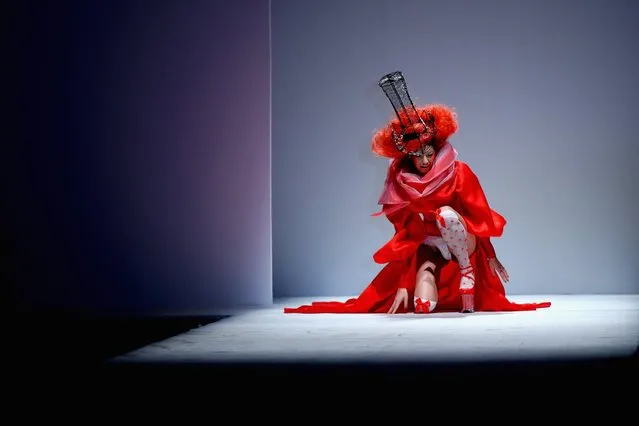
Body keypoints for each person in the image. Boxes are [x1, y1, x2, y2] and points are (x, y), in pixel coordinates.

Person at [284, 71, 551, 314]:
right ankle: (427, 286)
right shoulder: (401, 183)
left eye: (428, 153)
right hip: (430, 243)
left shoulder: (459, 172)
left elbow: (478, 214)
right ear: (407, 157)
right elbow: (409, 234)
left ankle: (466, 271)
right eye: (416, 155)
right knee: (422, 301)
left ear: (437, 147)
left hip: (462, 237)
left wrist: (490, 254)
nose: (424, 160)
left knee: (445, 215)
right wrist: (405, 282)